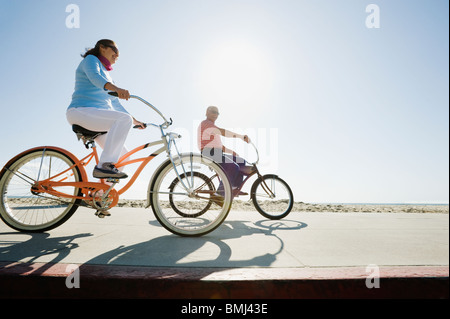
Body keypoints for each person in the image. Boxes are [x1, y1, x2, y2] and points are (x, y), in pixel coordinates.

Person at [66, 39, 146, 179]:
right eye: (115, 51)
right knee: (123, 120)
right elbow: (95, 77)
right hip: (80, 111)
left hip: (96, 118)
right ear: (102, 47)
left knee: (123, 156)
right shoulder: (91, 60)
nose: (117, 55)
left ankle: (99, 194)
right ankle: (104, 166)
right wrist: (116, 89)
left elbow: (116, 105)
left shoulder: (108, 76)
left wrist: (135, 121)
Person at [197, 106, 251, 196]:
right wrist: (241, 136)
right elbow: (223, 132)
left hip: (216, 152)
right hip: (209, 153)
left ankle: (234, 188)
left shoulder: (212, 127)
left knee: (241, 161)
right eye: (213, 112)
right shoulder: (206, 123)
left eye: (217, 113)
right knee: (233, 167)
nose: (215, 114)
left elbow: (220, 146)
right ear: (206, 113)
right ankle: (221, 193)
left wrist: (231, 152)